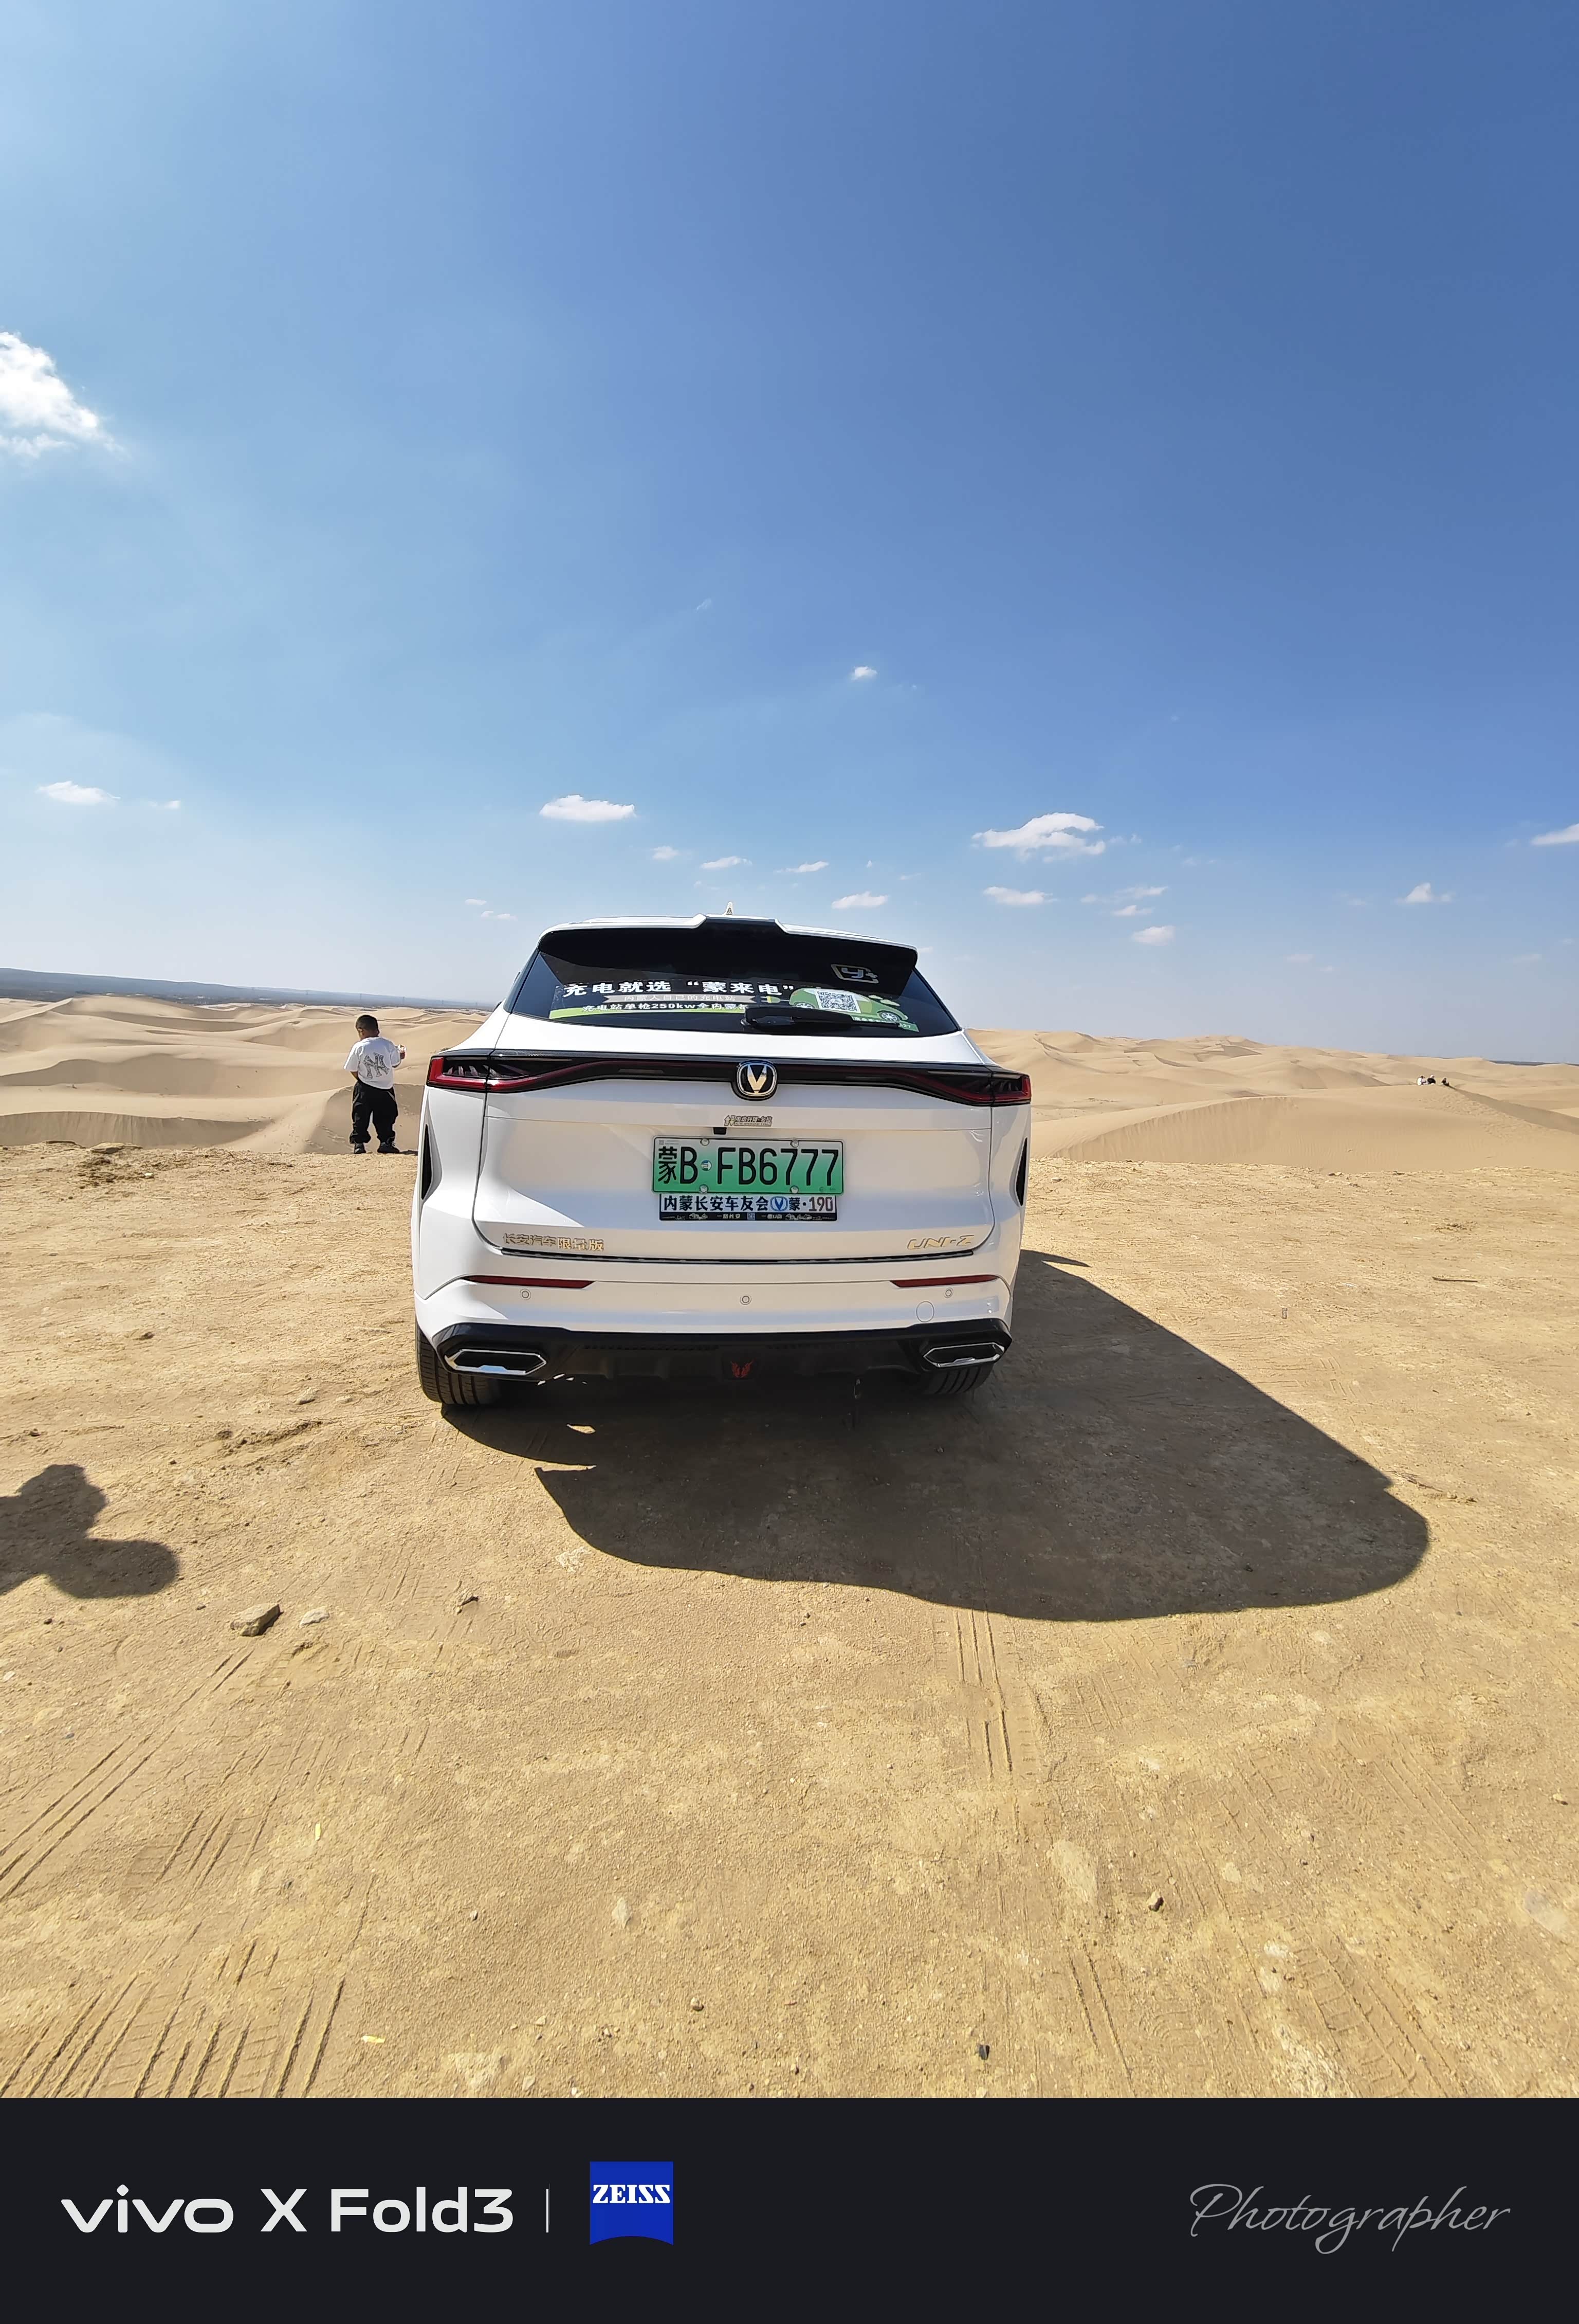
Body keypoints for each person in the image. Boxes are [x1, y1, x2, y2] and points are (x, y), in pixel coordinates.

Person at [344, 1013, 406, 1154]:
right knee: (386, 1117)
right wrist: (401, 1056)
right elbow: (395, 1064)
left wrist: (362, 1080)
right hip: (385, 1088)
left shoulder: (359, 1047)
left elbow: (352, 1068)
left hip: (364, 1088)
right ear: (377, 1030)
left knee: (360, 1116)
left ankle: (359, 1144)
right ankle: (386, 1143)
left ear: (361, 1031)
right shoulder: (388, 1044)